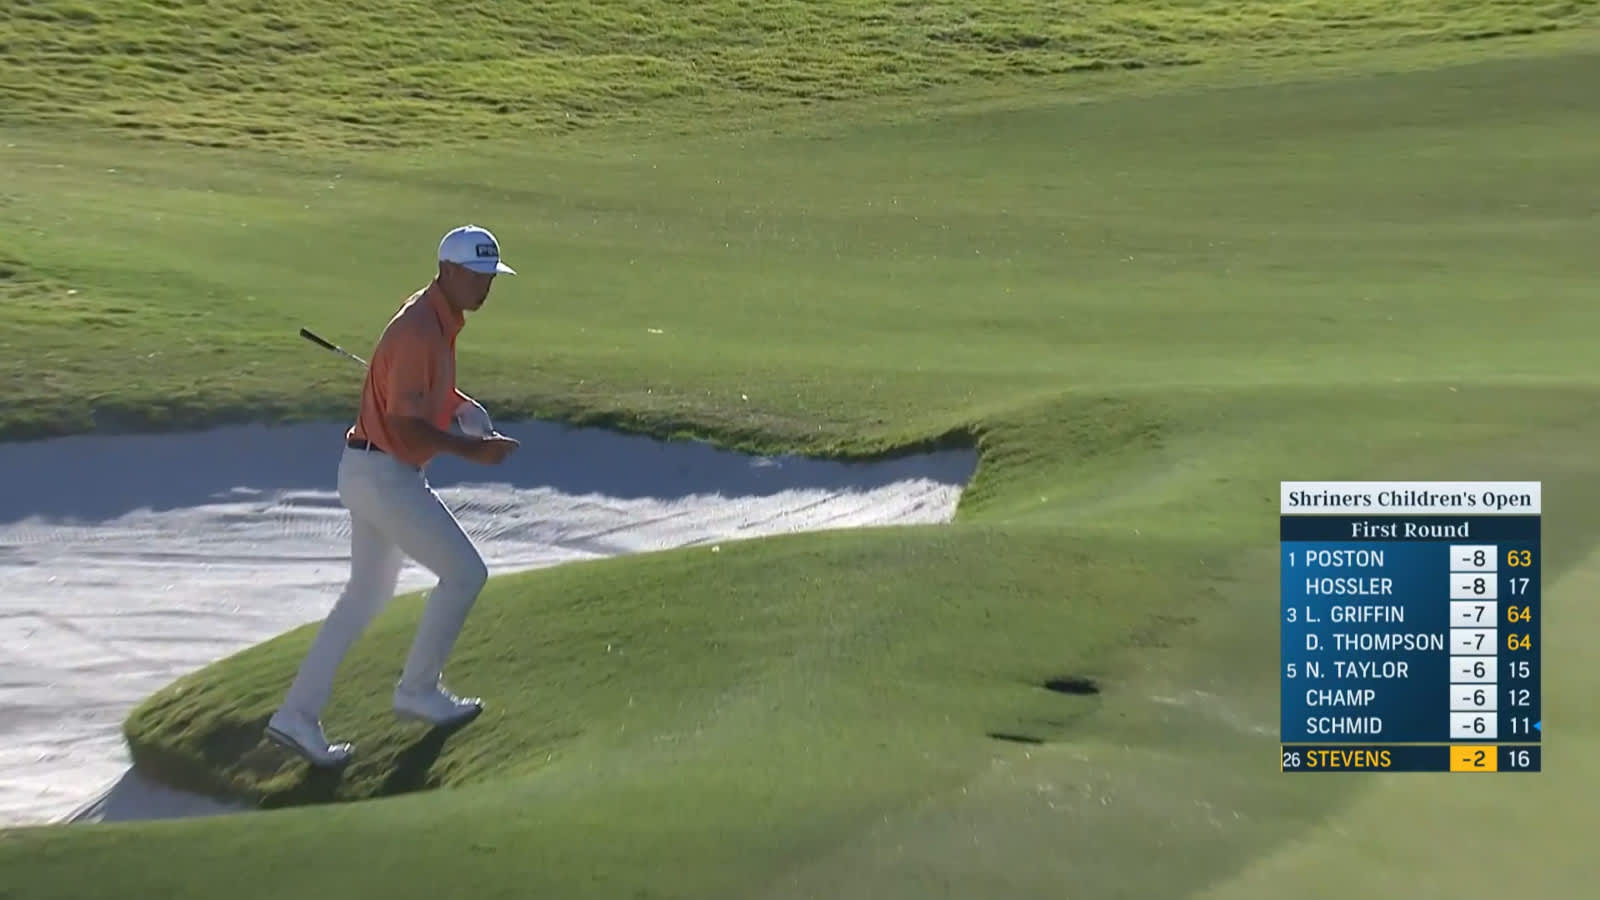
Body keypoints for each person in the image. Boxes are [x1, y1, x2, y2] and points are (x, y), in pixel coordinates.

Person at [264, 224, 523, 768]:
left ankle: (295, 716)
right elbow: (407, 429)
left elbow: (423, 394)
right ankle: (417, 690)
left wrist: (456, 404)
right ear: (449, 271)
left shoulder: (436, 319)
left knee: (364, 599)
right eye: (477, 277)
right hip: (385, 475)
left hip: (369, 470)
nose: (485, 288)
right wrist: (472, 451)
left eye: (491, 278)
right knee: (465, 574)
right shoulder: (418, 332)